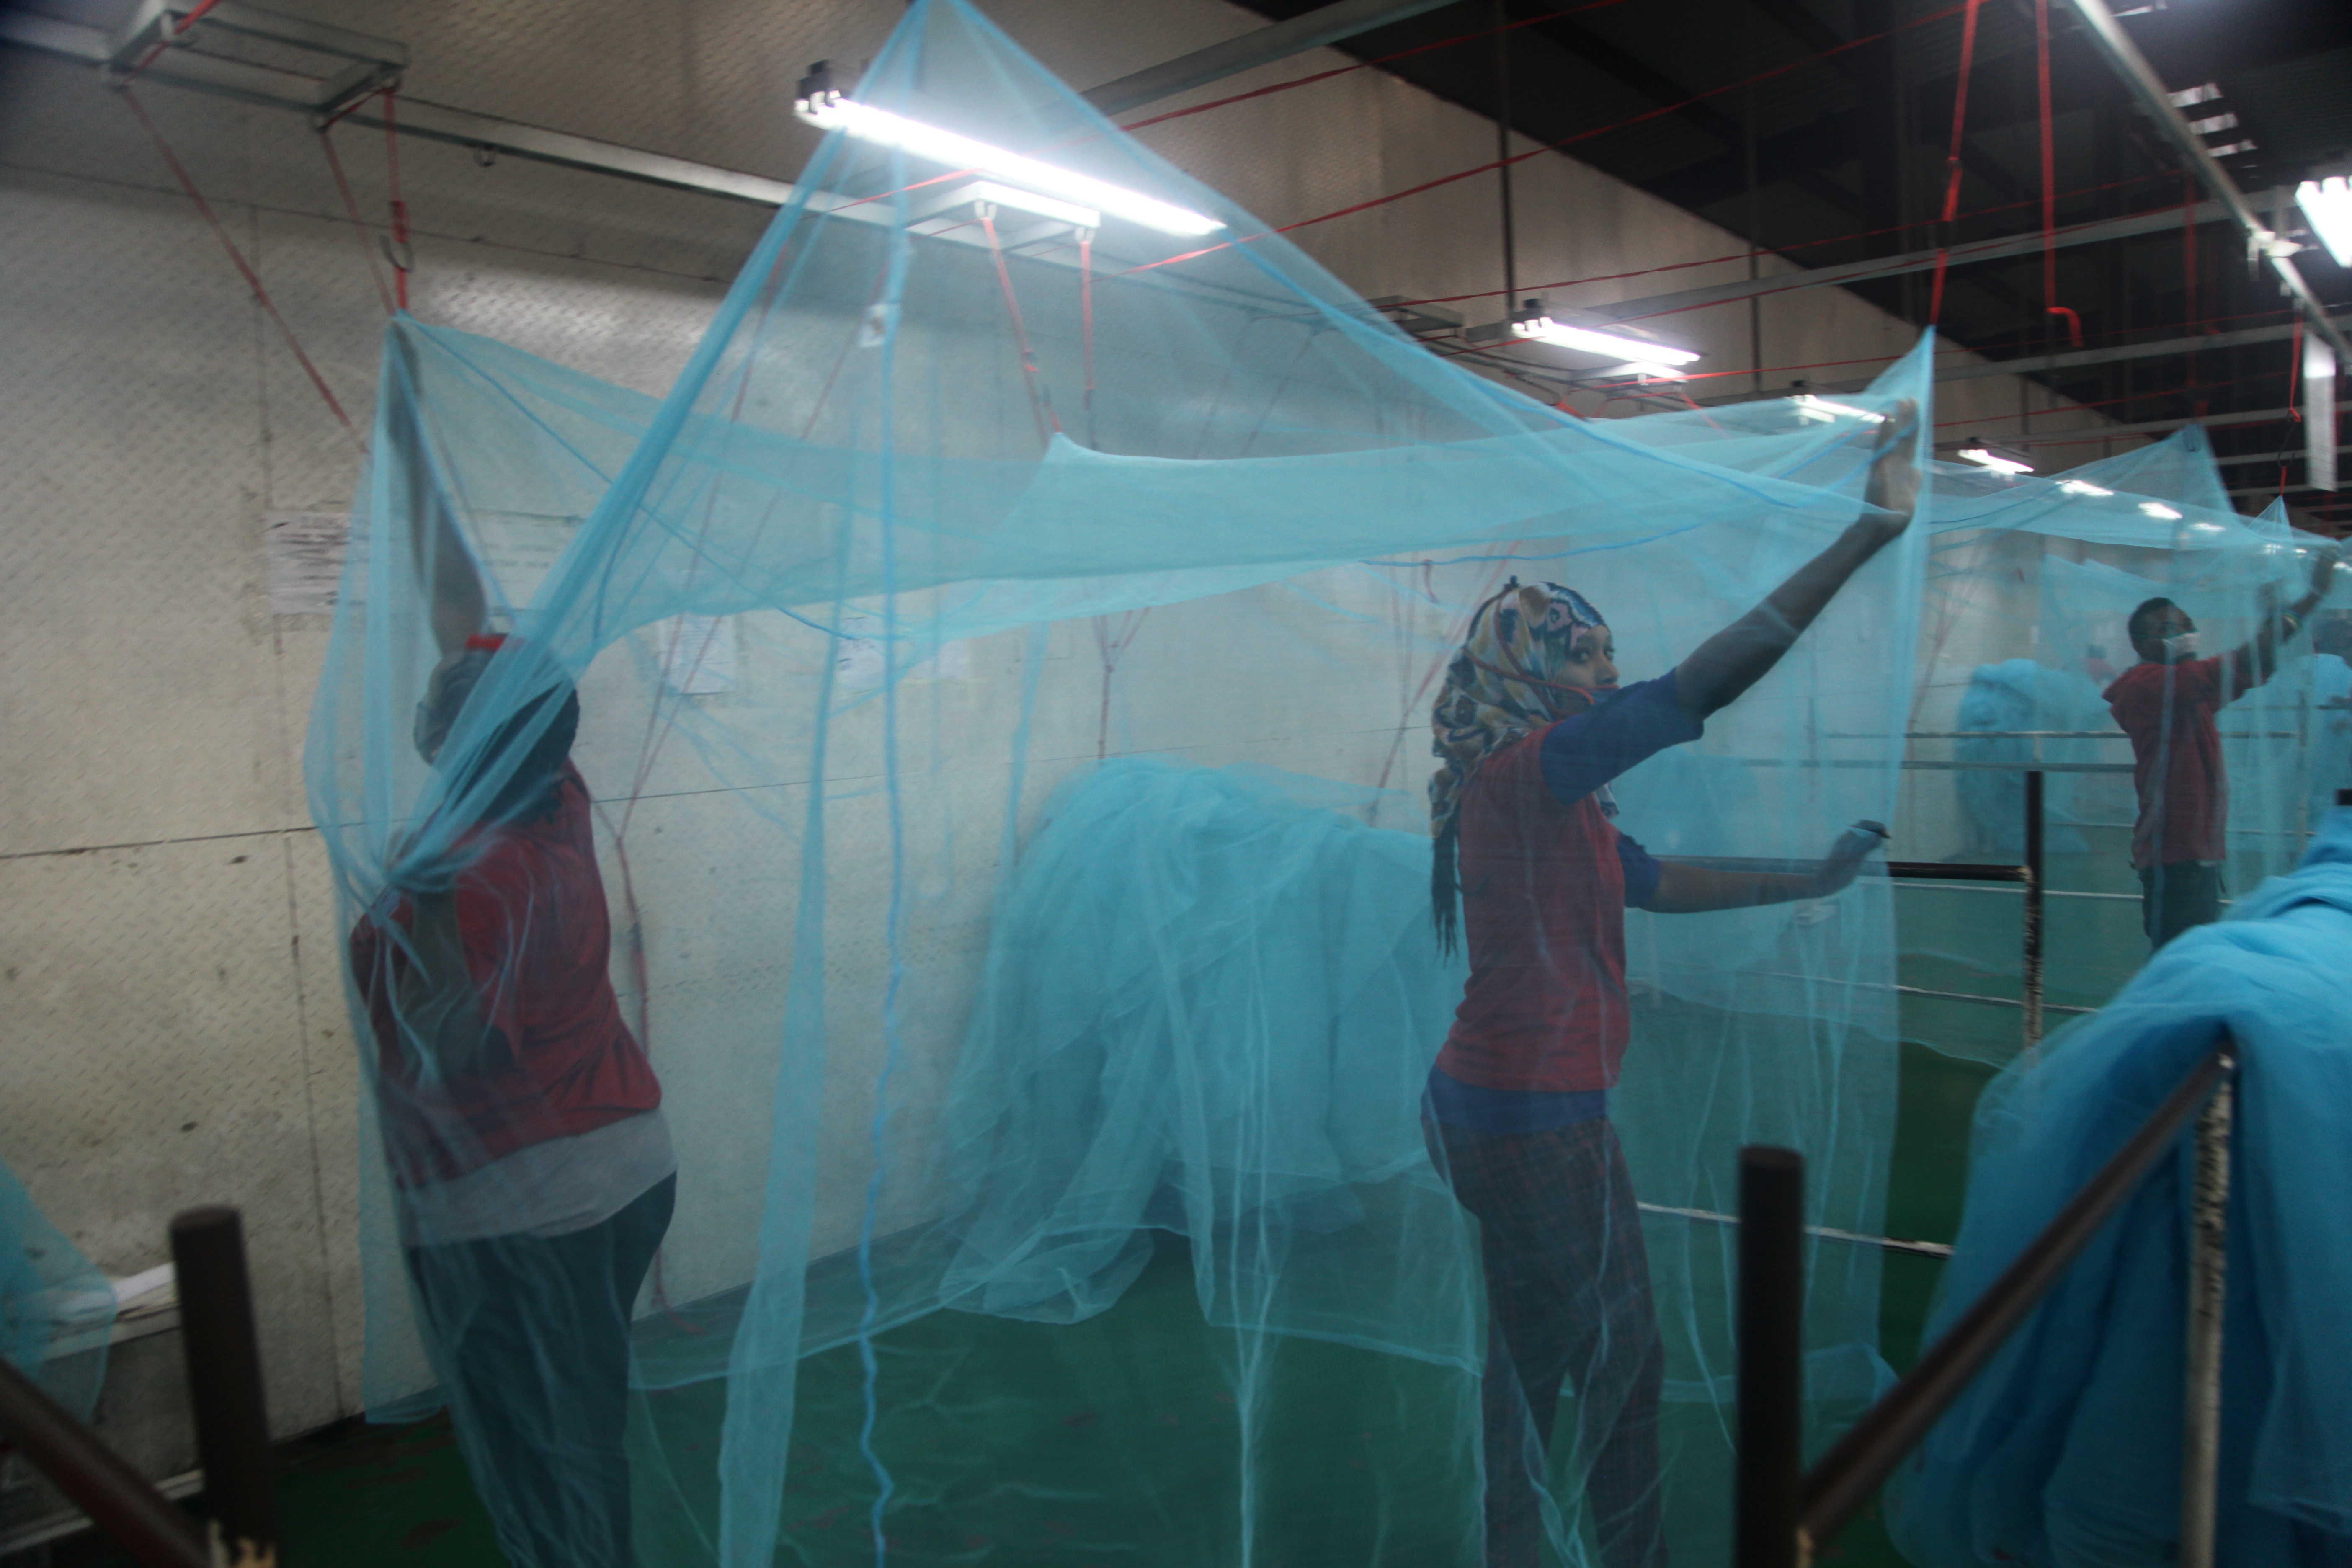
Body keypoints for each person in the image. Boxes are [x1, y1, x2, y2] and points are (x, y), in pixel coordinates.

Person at [1424, 402, 1922, 1568]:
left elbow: (1657, 881)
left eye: (1605, 651)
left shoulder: (1540, 792)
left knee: (1540, 1343)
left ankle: (1516, 1545)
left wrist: (1807, 876)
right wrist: (1865, 536)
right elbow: (1701, 686)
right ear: (1534, 674)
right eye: (1585, 654)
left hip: (1493, 1108)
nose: (1606, 669)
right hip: (1531, 1114)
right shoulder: (1529, 770)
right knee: (1623, 1356)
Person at [347, 393, 672, 1568]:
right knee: (570, 1424)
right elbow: (459, 608)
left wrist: (421, 905)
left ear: (460, 740)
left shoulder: (467, 872)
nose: (431, 698)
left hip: (524, 1205)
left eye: (444, 702)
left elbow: (461, 1049)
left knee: (551, 1441)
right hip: (619, 1164)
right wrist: (410, 448)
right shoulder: (550, 790)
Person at [2105, 547, 2337, 950]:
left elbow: (2254, 668)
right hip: (2173, 856)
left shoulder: (2184, 693)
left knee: (2189, 954)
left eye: (2188, 625)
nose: (2185, 634)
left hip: (2196, 849)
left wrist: (2272, 616)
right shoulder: (2150, 685)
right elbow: (2240, 663)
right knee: (2181, 958)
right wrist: (2313, 596)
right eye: (2169, 629)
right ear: (2141, 644)